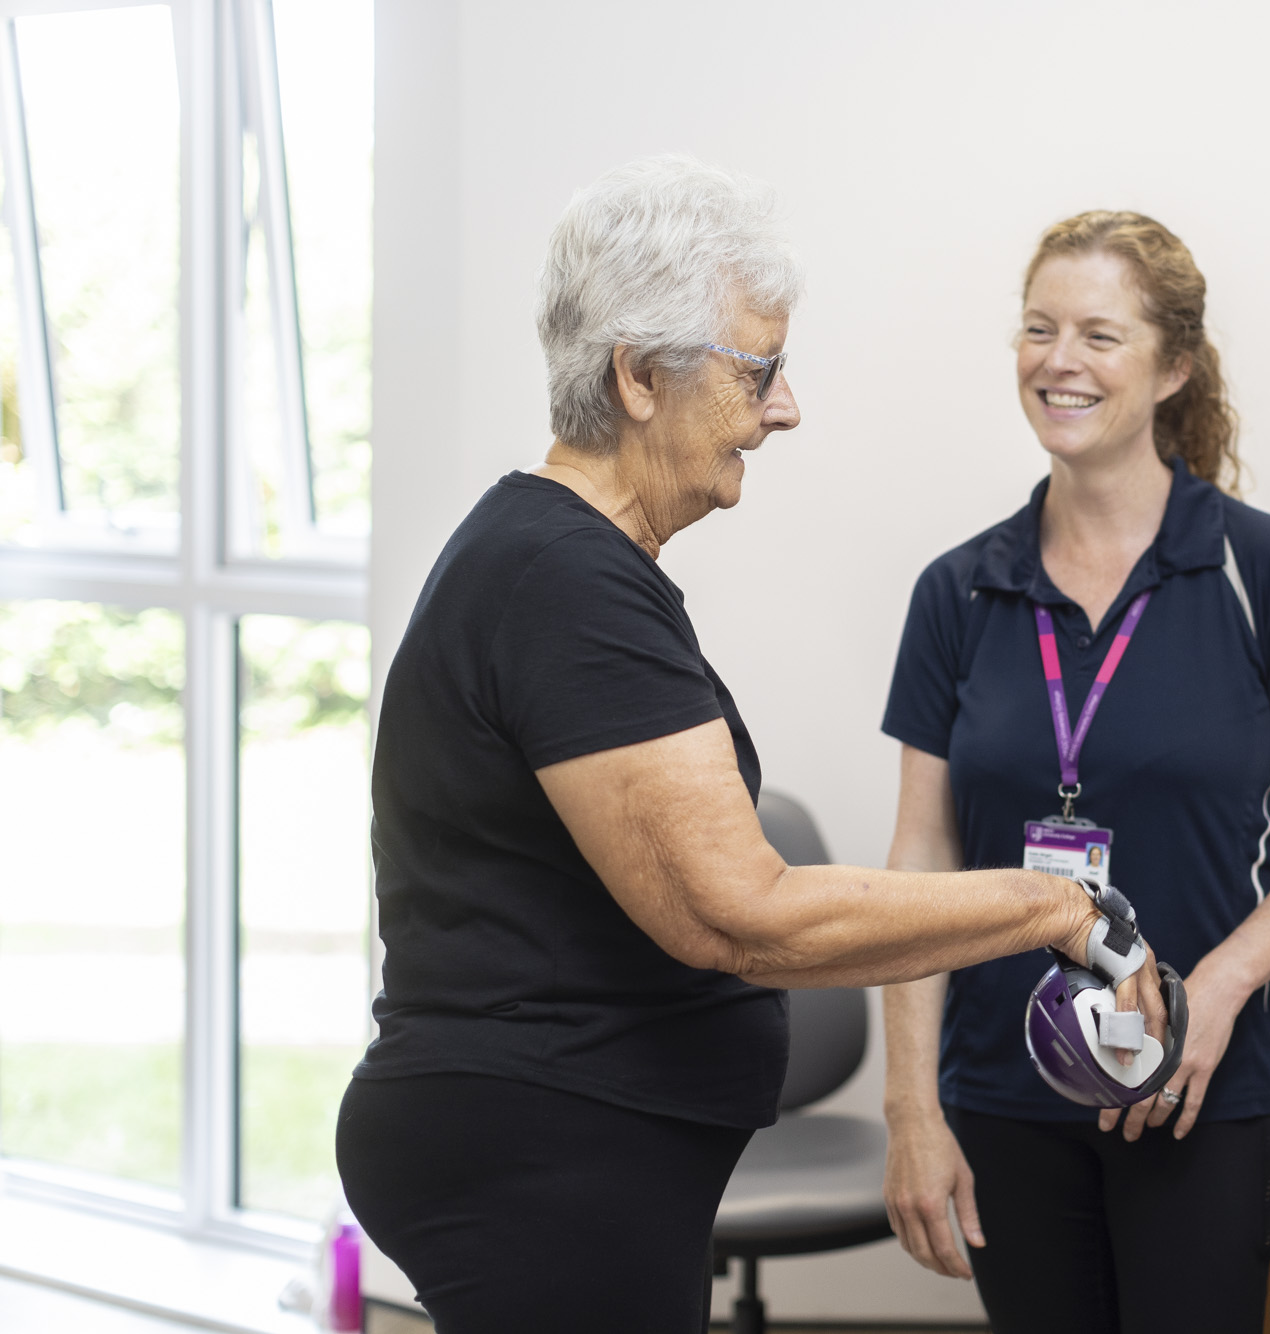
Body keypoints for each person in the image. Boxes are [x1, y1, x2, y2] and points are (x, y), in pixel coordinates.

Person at [333, 160, 1166, 1334]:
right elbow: (742, 914)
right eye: (757, 370)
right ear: (635, 374)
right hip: (543, 1151)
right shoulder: (562, 583)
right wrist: (1052, 911)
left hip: (562, 1145)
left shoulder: (556, 561)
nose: (783, 408)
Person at [879, 211, 1270, 1334]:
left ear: (1172, 367)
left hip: (1195, 1085)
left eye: (1099, 335)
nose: (1059, 359)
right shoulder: (957, 593)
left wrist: (1217, 985)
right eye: (1038, 327)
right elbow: (921, 859)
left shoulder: (1268, 571)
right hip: (1003, 1091)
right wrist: (908, 1102)